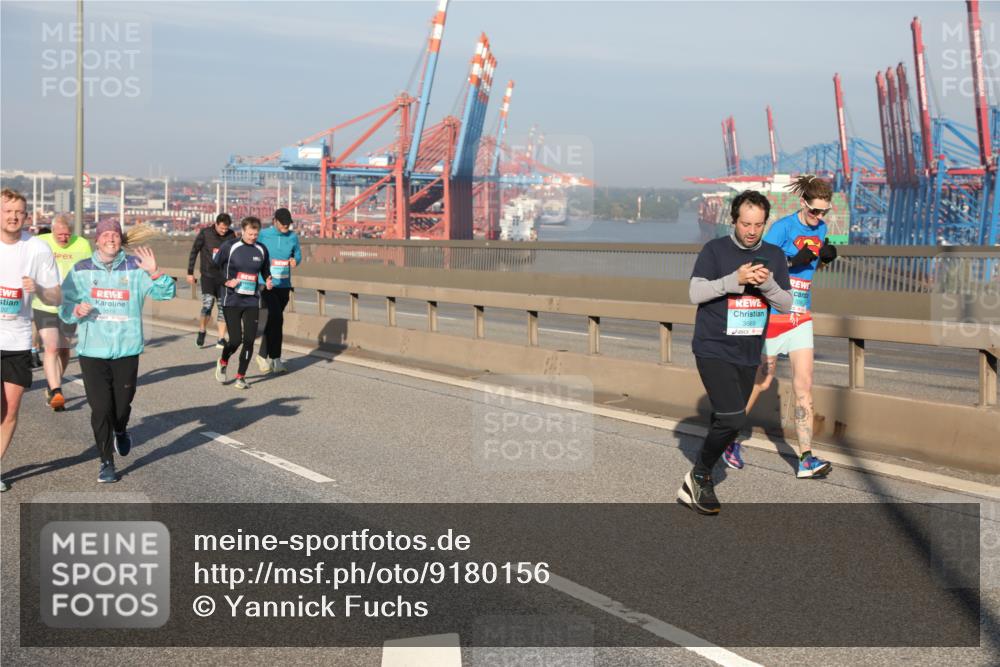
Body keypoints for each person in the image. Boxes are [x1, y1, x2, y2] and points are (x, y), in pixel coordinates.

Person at [678, 190, 792, 515]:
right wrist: (735, 279)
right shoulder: (715, 250)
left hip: (748, 350)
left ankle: (703, 469)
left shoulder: (774, 254)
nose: (751, 231)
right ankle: (699, 475)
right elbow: (695, 292)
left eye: (758, 224)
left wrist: (767, 283)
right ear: (734, 221)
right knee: (734, 418)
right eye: (745, 223)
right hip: (713, 346)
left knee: (725, 418)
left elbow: (786, 304)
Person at [722, 175, 837, 479]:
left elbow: (814, 265)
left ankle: (806, 458)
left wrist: (825, 259)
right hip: (774, 315)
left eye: (824, 212)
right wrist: (792, 260)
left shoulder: (822, 228)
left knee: (804, 387)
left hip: (801, 317)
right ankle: (729, 438)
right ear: (803, 203)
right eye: (814, 211)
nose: (819, 218)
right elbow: (759, 266)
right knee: (761, 382)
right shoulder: (783, 228)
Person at [59, 219, 176, 483]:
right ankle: (106, 462)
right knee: (100, 409)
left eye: (115, 235)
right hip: (93, 351)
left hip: (126, 349)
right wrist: (75, 310)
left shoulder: (135, 268)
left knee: (121, 408)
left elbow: (165, 294)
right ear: (97, 240)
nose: (110, 239)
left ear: (120, 239)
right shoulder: (81, 270)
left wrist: (155, 271)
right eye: (105, 235)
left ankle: (121, 430)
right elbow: (65, 305)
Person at [0, 189, 61, 492]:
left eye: (18, 212)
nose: (13, 217)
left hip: (18, 340)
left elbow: (56, 295)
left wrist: (37, 288)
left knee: (10, 410)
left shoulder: (37, 249)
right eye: (7, 211)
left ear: (26, 216)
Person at [32, 214, 92, 411]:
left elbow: (89, 273)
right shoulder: (40, 242)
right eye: (60, 235)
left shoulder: (82, 244)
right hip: (44, 304)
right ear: (52, 230)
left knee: (64, 350)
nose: (64, 238)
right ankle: (57, 390)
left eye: (67, 235)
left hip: (69, 305)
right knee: (51, 348)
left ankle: (51, 384)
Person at [214, 217, 272, 389]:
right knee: (236, 340)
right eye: (250, 234)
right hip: (231, 299)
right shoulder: (230, 247)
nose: (253, 237)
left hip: (252, 300)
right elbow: (213, 268)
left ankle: (241, 376)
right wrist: (225, 282)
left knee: (249, 340)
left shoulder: (261, 249)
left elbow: (265, 269)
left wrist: (268, 279)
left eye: (256, 234)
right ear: (242, 231)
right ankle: (223, 361)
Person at [256, 207, 301, 374]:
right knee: (276, 318)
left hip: (284, 285)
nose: (286, 227)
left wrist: (295, 260)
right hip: (266, 284)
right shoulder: (264, 235)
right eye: (283, 224)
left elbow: (297, 255)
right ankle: (273, 358)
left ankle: (269, 357)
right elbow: (253, 251)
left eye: (288, 224)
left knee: (275, 321)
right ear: (274, 221)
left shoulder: (293, 237)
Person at [186, 213, 235, 348]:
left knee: (222, 307)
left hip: (223, 278)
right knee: (208, 305)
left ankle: (221, 338)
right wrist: (190, 272)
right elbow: (194, 251)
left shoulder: (231, 235)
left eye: (226, 229)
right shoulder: (205, 233)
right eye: (222, 228)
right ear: (216, 224)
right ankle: (202, 330)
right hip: (207, 275)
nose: (224, 231)